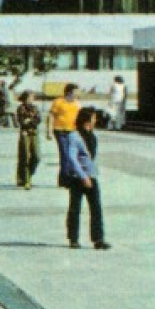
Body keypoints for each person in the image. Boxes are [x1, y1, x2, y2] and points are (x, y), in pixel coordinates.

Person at [58, 107, 109, 249]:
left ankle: (98, 239)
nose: (95, 120)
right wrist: (82, 176)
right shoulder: (74, 137)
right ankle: (73, 239)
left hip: (92, 177)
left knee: (96, 208)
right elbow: (72, 158)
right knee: (75, 208)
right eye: (93, 118)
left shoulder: (92, 135)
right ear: (87, 120)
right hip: (78, 178)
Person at [47, 83, 81, 165]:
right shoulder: (58, 102)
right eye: (75, 92)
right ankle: (64, 174)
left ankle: (70, 170)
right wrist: (49, 131)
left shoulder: (77, 103)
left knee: (72, 153)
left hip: (72, 131)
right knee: (64, 152)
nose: (77, 94)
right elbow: (51, 116)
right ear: (69, 92)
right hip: (60, 130)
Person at [15, 90, 42, 189]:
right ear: (25, 98)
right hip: (25, 134)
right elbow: (22, 121)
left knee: (36, 156)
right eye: (31, 97)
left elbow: (39, 119)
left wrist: (30, 120)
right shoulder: (20, 108)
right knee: (25, 156)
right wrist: (31, 120)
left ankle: (28, 175)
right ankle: (25, 180)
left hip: (34, 133)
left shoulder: (35, 108)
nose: (32, 99)